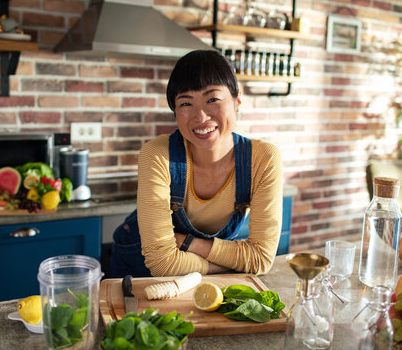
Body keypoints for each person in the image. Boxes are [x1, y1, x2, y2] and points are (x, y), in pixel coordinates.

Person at [109, 49, 283, 278]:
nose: (200, 117)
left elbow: (260, 258)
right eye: (186, 104)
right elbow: (162, 265)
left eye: (212, 99)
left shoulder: (262, 159)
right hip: (140, 273)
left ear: (237, 100)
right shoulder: (158, 155)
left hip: (198, 278)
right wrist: (232, 264)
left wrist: (190, 244)